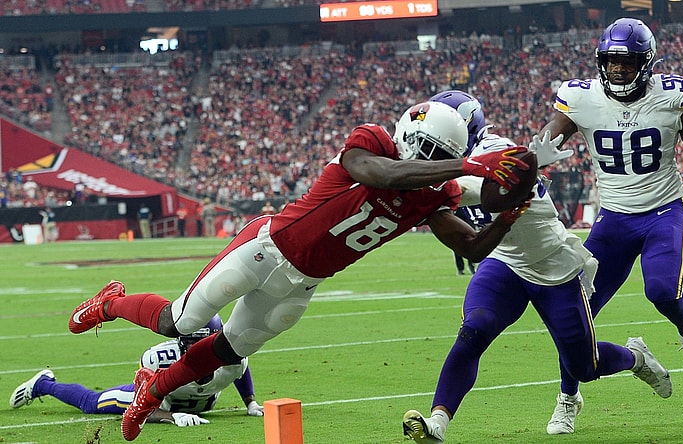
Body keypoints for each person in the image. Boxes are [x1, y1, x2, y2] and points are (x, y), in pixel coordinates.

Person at [68, 101, 531, 441]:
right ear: (410, 133)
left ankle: (154, 389)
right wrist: (470, 166)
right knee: (181, 322)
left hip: (302, 285)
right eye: (427, 152)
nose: (430, 165)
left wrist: (505, 218)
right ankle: (109, 301)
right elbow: (383, 175)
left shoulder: (432, 193)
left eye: (439, 158)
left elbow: (470, 246)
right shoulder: (371, 141)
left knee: (230, 349)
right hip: (266, 247)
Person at [531, 18, 683, 434]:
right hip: (612, 217)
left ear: (645, 65)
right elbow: (548, 140)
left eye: (625, 63)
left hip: (662, 210)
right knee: (576, 313)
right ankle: (568, 397)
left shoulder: (671, 96)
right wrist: (536, 158)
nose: (615, 70)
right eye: (609, 62)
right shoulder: (582, 98)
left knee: (662, 290)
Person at [403, 113, 672, 443]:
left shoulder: (496, 151)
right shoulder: (456, 166)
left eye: (434, 149)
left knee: (584, 368)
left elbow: (477, 189)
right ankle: (438, 422)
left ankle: (636, 357)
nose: (429, 159)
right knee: (475, 329)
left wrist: (418, 183)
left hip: (552, 268)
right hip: (505, 261)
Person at [10, 315, 264, 427]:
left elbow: (240, 369)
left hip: (195, 405)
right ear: (180, 343)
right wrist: (172, 417)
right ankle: (44, 383)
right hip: (151, 398)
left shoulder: (231, 358)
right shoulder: (159, 360)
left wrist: (250, 402)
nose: (198, 353)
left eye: (204, 345)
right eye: (191, 345)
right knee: (90, 403)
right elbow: (143, 409)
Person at [452, 208, 476, 275]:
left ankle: (471, 266)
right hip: (456, 219)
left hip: (467, 218)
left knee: (471, 244)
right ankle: (460, 268)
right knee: (456, 245)